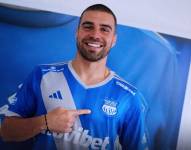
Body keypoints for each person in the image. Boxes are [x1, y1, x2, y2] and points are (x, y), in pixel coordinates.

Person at [1, 4, 149, 150]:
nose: (95, 35)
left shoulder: (129, 97)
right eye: (88, 26)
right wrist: (45, 122)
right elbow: (6, 131)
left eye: (104, 29)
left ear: (114, 39)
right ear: (77, 32)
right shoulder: (42, 75)